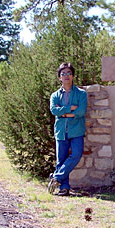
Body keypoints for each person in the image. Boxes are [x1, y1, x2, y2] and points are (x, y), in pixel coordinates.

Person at [48, 62, 87, 196]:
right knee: (61, 160)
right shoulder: (55, 95)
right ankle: (64, 188)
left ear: (73, 76)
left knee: (76, 154)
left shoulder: (81, 94)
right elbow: (54, 110)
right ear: (59, 77)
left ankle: (56, 177)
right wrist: (70, 109)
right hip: (60, 130)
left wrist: (63, 112)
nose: (66, 76)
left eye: (69, 73)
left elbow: (81, 111)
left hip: (77, 130)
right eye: (63, 74)